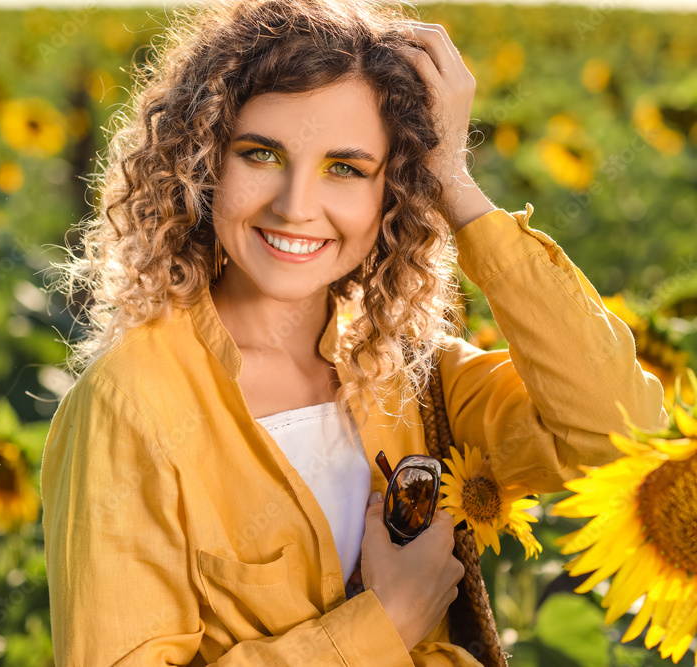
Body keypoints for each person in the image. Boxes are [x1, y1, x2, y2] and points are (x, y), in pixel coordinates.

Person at [40, 0, 668, 664]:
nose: (296, 207)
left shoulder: (413, 376)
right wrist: (384, 624)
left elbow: (619, 434)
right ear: (202, 164)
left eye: (345, 167)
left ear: (393, 190)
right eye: (260, 154)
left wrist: (456, 186)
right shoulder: (132, 401)